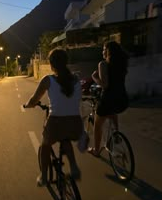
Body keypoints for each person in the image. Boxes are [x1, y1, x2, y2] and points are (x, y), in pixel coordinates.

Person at [24, 48, 83, 187]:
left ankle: (44, 177)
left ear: (51, 65)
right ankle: (74, 167)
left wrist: (28, 105)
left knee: (45, 145)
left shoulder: (48, 80)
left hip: (57, 122)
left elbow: (34, 99)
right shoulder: (76, 79)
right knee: (65, 138)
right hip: (76, 124)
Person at [88, 41, 129, 157]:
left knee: (97, 125)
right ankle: (116, 134)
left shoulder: (103, 64)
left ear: (108, 51)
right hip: (122, 99)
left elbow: (105, 85)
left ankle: (96, 151)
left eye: (104, 49)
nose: (102, 51)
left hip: (108, 100)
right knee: (113, 112)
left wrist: (94, 77)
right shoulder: (122, 64)